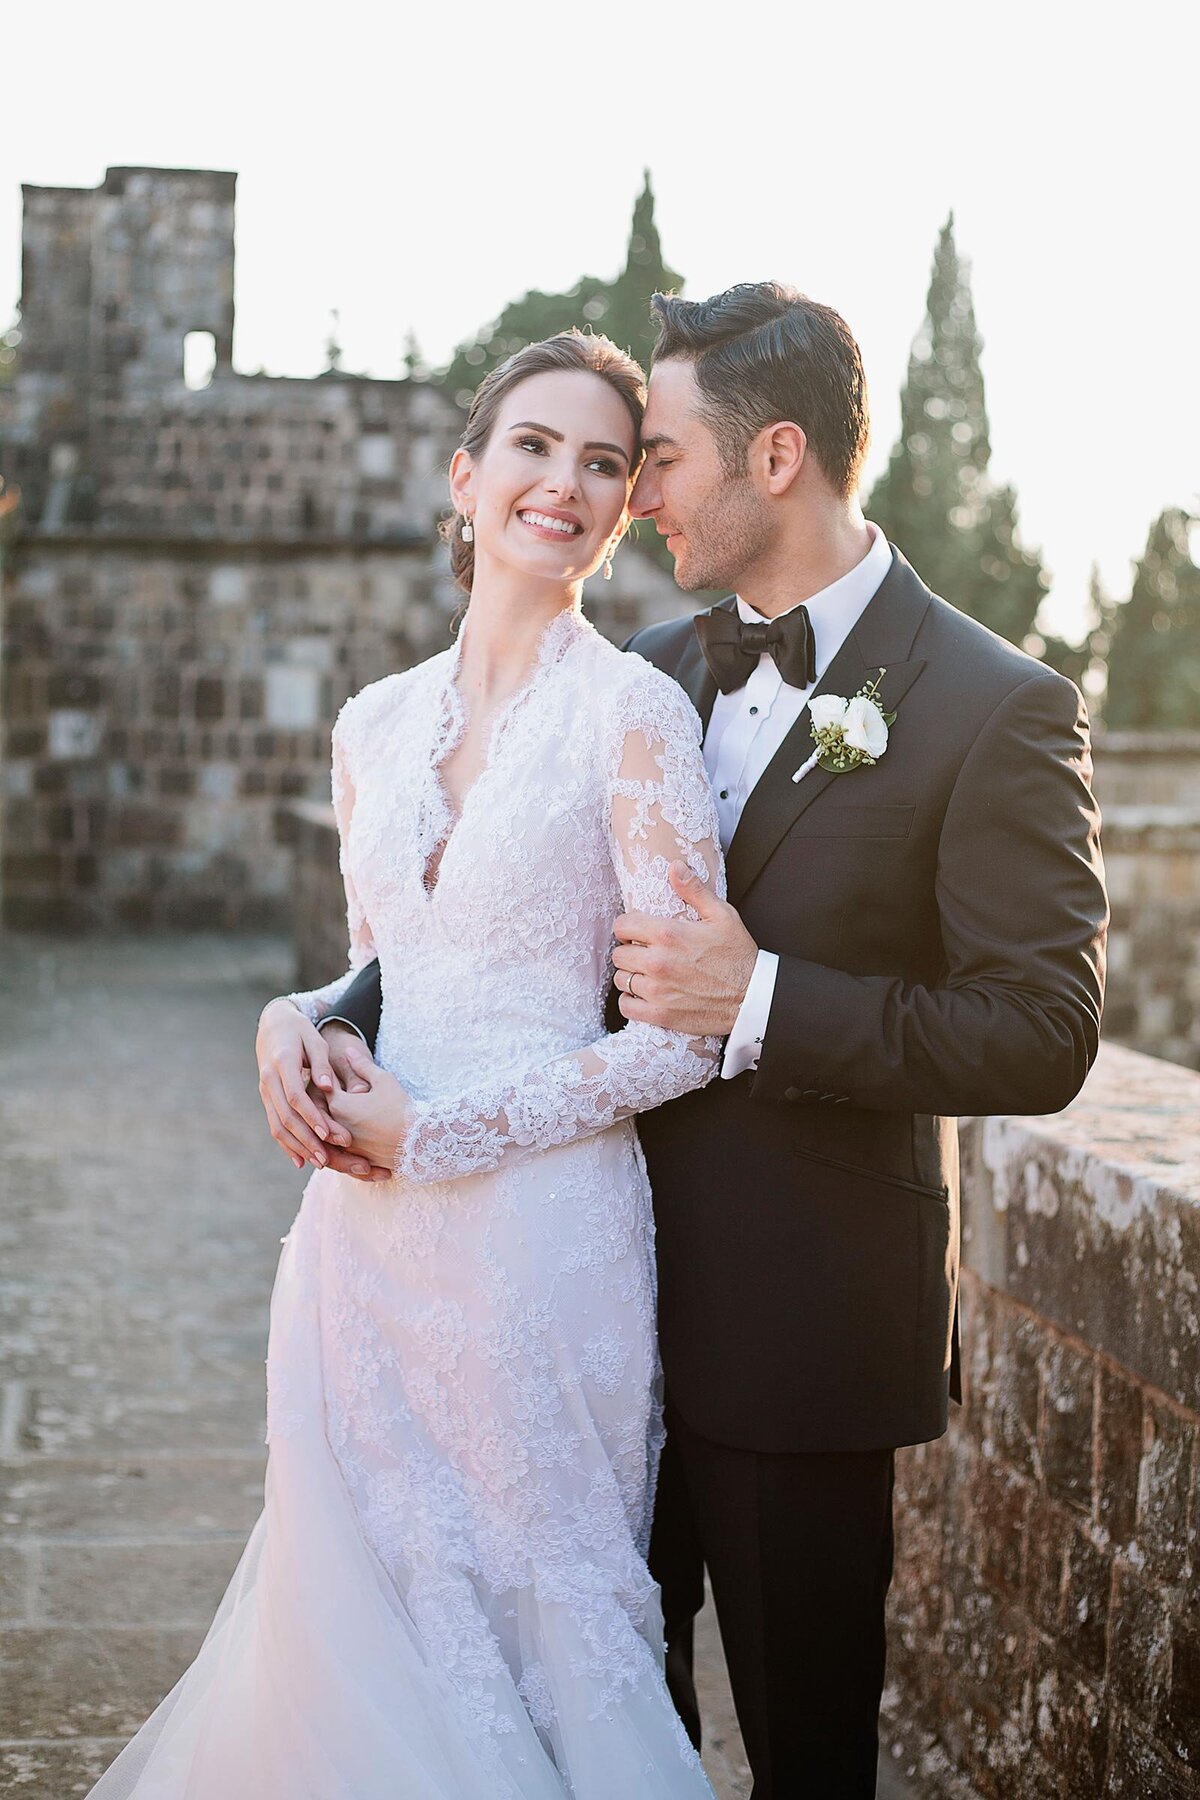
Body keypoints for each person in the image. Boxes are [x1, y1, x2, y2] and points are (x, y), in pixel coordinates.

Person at [282, 283, 1109, 1798]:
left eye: (654, 457)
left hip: (791, 1331)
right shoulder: (641, 673)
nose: (622, 493)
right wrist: (320, 1021)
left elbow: (1043, 1031)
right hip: (557, 1306)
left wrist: (767, 998)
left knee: (803, 1752)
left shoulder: (999, 706)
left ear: (774, 456)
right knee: (575, 1732)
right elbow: (468, 940)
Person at [88, 330, 724, 1799]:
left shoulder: (636, 714)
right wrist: (288, 1016)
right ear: (465, 475)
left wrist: (436, 1131)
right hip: (359, 1250)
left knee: (539, 1630)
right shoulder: (371, 727)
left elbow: (685, 1039)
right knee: (359, 1619)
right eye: (533, 446)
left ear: (624, 509)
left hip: (537, 1242)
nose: (563, 481)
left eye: (603, 462)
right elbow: (388, 963)